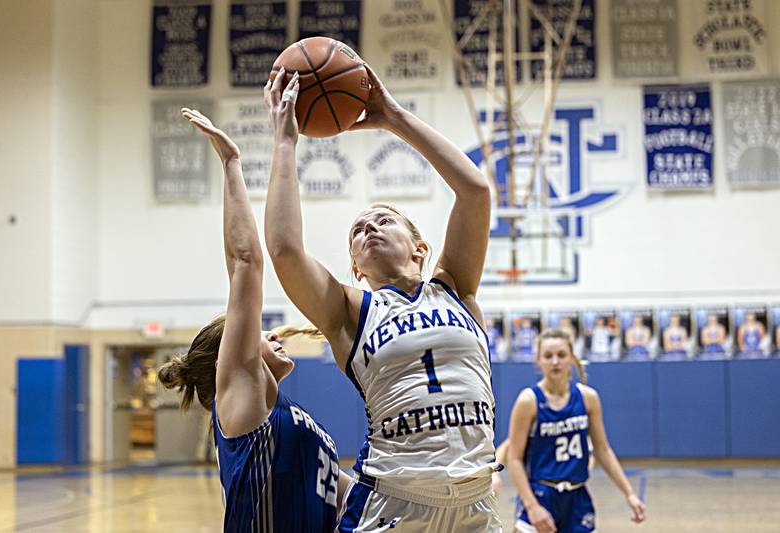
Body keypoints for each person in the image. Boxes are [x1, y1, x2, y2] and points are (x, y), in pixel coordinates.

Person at [263, 66, 500, 531]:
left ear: (420, 248)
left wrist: (392, 116)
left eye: (383, 220)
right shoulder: (349, 312)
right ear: (356, 268)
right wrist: (286, 144)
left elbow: (475, 191)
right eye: (358, 229)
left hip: (475, 503)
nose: (369, 227)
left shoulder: (456, 289)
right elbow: (285, 250)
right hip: (394, 505)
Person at [157, 108, 348, 532]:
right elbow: (246, 262)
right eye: (258, 332)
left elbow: (344, 494)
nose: (273, 333)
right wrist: (231, 165)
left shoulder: (284, 412)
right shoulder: (242, 401)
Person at [504, 329, 646, 532]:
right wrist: (532, 506)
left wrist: (630, 494)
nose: (555, 361)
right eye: (548, 356)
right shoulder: (528, 401)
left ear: (571, 357)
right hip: (541, 494)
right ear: (538, 360)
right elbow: (514, 459)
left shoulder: (588, 398)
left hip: (577, 498)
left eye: (561, 355)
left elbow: (603, 450)